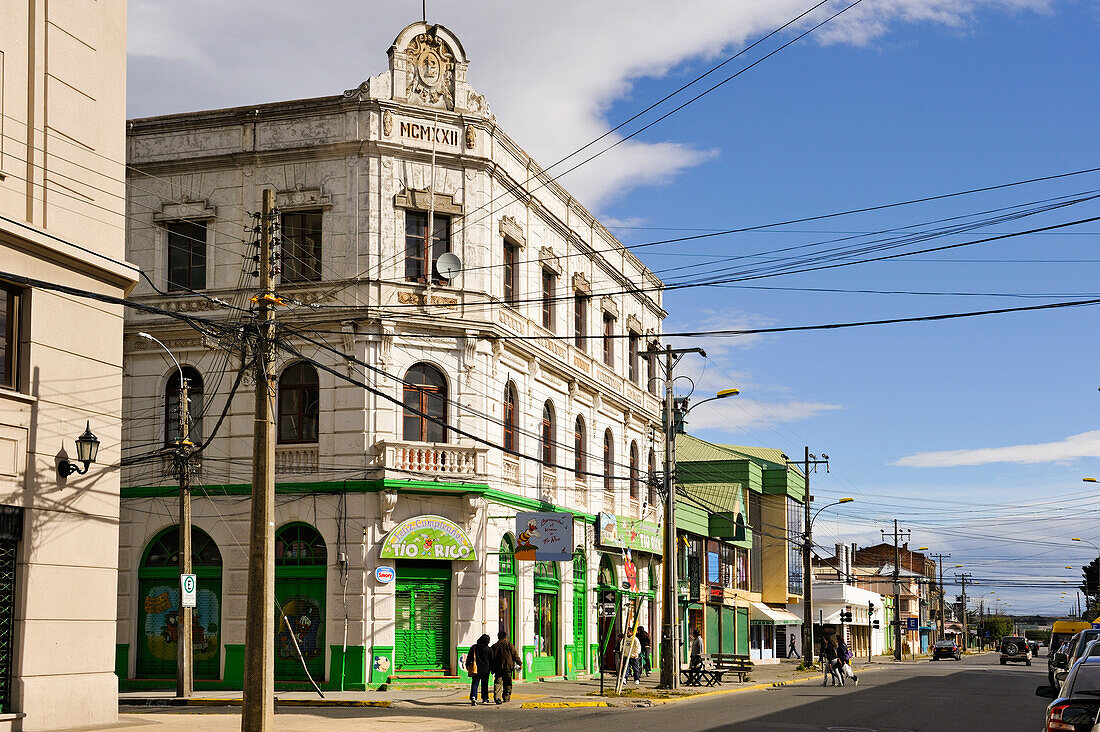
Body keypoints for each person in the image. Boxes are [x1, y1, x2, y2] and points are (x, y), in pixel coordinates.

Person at [490, 629, 522, 705]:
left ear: (498, 637)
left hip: (498, 668)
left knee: (498, 683)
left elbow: (491, 659)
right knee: (508, 683)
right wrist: (519, 663)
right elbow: (515, 655)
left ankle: (497, 697)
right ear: (505, 637)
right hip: (508, 667)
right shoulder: (509, 645)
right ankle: (506, 697)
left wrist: (492, 669)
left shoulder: (494, 646)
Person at [466, 634, 492, 705]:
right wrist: (492, 670)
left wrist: (467, 666)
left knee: (475, 683)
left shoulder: (474, 647)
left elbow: (469, 658)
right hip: (486, 670)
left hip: (476, 669)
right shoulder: (489, 649)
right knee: (485, 684)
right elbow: (492, 660)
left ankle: (473, 697)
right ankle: (485, 698)